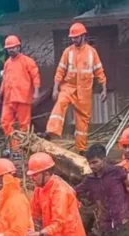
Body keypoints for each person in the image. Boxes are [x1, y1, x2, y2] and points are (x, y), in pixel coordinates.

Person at [43, 22, 107, 156]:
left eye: (76, 37)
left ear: (83, 36)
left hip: (84, 92)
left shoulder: (91, 52)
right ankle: (51, 132)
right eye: (72, 37)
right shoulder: (68, 52)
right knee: (60, 103)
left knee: (82, 123)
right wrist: (55, 89)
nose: (73, 39)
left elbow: (99, 72)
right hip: (68, 87)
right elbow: (60, 71)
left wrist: (104, 90)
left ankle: (81, 150)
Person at [26, 152, 87, 236]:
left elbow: (59, 223)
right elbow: (33, 212)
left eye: (35, 175)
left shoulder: (60, 192)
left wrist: (39, 234)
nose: (32, 178)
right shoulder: (40, 188)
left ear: (46, 173)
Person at [75, 144, 129, 236]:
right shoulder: (89, 180)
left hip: (121, 224)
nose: (92, 166)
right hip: (104, 227)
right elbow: (74, 191)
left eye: (95, 162)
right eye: (89, 163)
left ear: (104, 159)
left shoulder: (117, 172)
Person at [0, 35, 40, 159]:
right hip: (8, 99)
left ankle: (22, 149)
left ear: (18, 47)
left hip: (23, 98)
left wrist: (36, 92)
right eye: (9, 48)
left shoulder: (27, 61)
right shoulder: (7, 64)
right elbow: (4, 81)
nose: (11, 50)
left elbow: (35, 76)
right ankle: (14, 148)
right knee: (5, 122)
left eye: (13, 47)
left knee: (24, 125)